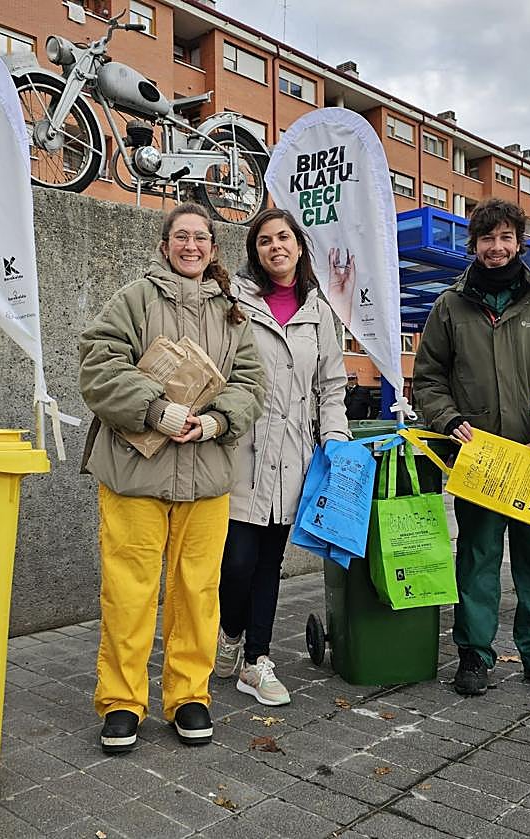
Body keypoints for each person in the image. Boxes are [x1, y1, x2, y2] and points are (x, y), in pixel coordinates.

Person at [78, 203, 266, 753]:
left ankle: (189, 695)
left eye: (200, 237)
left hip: (206, 477)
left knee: (197, 592)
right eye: (180, 236)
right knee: (128, 592)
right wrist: (154, 410)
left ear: (213, 248)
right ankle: (121, 702)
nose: (191, 246)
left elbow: (251, 382)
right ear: (164, 246)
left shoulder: (234, 313)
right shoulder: (134, 298)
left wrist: (214, 420)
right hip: (135, 476)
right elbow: (97, 364)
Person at [413, 198, 530, 699]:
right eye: (487, 239)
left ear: (520, 242)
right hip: (481, 457)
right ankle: (474, 653)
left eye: (506, 237)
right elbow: (428, 379)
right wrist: (450, 421)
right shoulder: (450, 306)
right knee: (477, 556)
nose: (497, 247)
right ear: (475, 245)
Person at [214, 208, 349, 706]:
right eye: (265, 240)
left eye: (284, 238)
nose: (276, 247)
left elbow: (332, 384)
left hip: (295, 455)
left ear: (299, 246)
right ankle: (229, 633)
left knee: (270, 562)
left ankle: (257, 658)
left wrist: (333, 436)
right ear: (256, 251)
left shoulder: (320, 310)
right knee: (238, 560)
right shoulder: (237, 302)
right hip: (242, 451)